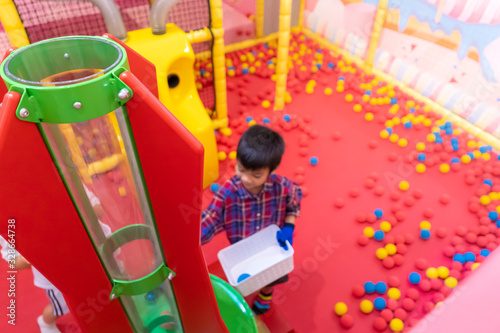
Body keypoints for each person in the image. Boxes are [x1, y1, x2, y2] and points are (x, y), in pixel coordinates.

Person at [201, 124, 302, 314]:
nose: (246, 178)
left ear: (271, 170)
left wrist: (289, 226)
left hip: (272, 245)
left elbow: (294, 200)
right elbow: (210, 218)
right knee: (245, 278)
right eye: (241, 169)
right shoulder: (228, 192)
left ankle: (266, 293)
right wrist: (188, 241)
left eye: (256, 175)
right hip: (243, 246)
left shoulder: (281, 186)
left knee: (273, 275)